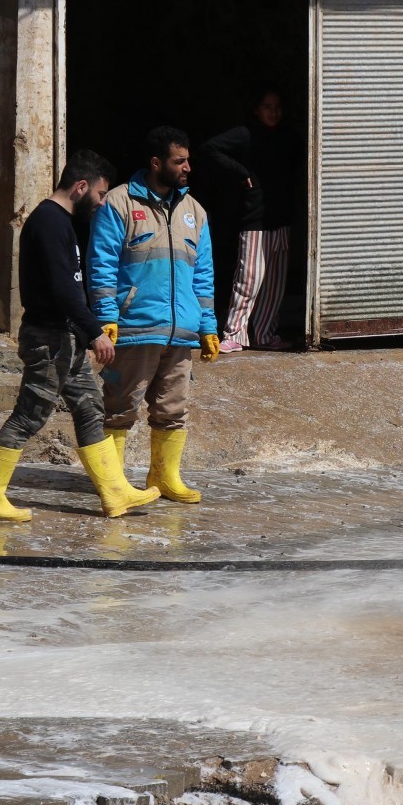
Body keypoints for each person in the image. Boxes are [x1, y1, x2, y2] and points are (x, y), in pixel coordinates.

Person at [0, 150, 161, 521]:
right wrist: (94, 332)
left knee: (90, 406)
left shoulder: (60, 222)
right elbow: (63, 289)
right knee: (30, 415)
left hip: (65, 337)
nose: (103, 203)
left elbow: (69, 285)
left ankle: (114, 492)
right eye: (101, 194)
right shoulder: (49, 222)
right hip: (49, 338)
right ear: (81, 186)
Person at [88, 126, 220, 504]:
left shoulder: (195, 211)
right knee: (119, 409)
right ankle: (112, 484)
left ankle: (165, 477)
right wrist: (107, 316)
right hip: (134, 328)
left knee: (173, 409)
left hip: (181, 332)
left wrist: (207, 326)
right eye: (180, 161)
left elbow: (204, 274)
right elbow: (101, 265)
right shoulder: (118, 204)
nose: (188, 167)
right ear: (156, 163)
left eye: (188, 160)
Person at [196, 85, 304, 352]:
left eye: (277, 107)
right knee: (249, 279)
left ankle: (265, 334)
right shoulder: (246, 134)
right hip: (255, 221)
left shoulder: (288, 136)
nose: (274, 112)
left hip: (282, 219)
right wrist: (240, 172)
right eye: (267, 107)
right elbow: (210, 149)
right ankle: (234, 333)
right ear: (256, 110)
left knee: (275, 283)